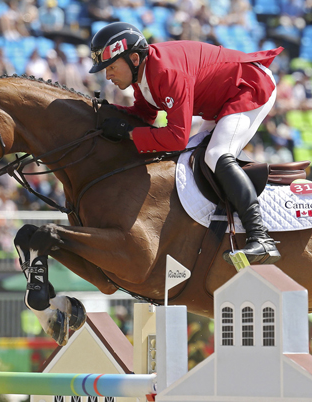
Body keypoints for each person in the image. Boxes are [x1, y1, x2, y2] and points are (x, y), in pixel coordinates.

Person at [89, 22, 283, 265]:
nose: (107, 75)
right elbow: (143, 115)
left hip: (249, 86)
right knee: (191, 159)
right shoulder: (143, 75)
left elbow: (177, 137)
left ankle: (260, 236)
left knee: (216, 154)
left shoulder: (166, 72)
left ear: (135, 59)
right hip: (221, 99)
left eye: (111, 67)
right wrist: (107, 114)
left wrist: (128, 133)